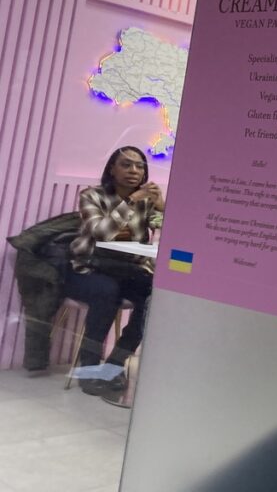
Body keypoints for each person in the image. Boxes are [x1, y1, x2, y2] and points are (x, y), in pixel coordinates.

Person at [65, 146, 163, 396]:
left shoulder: (146, 202)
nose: (134, 171)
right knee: (107, 292)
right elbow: (102, 233)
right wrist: (131, 202)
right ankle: (89, 369)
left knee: (156, 296)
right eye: (126, 165)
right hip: (88, 268)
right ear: (112, 169)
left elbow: (172, 227)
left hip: (128, 269)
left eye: (139, 166)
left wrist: (162, 206)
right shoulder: (92, 196)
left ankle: (115, 364)